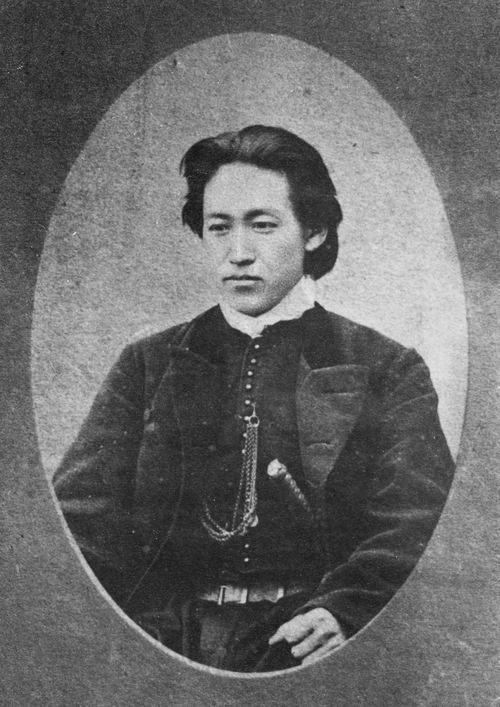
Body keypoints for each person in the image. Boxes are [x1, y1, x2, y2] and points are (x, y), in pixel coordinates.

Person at [53, 125, 455, 673]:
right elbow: (79, 524)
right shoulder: (148, 364)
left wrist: (346, 608)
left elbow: (418, 521)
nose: (238, 253)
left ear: (314, 231)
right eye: (219, 227)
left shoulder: (386, 368)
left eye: (262, 225)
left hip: (310, 650)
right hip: (159, 646)